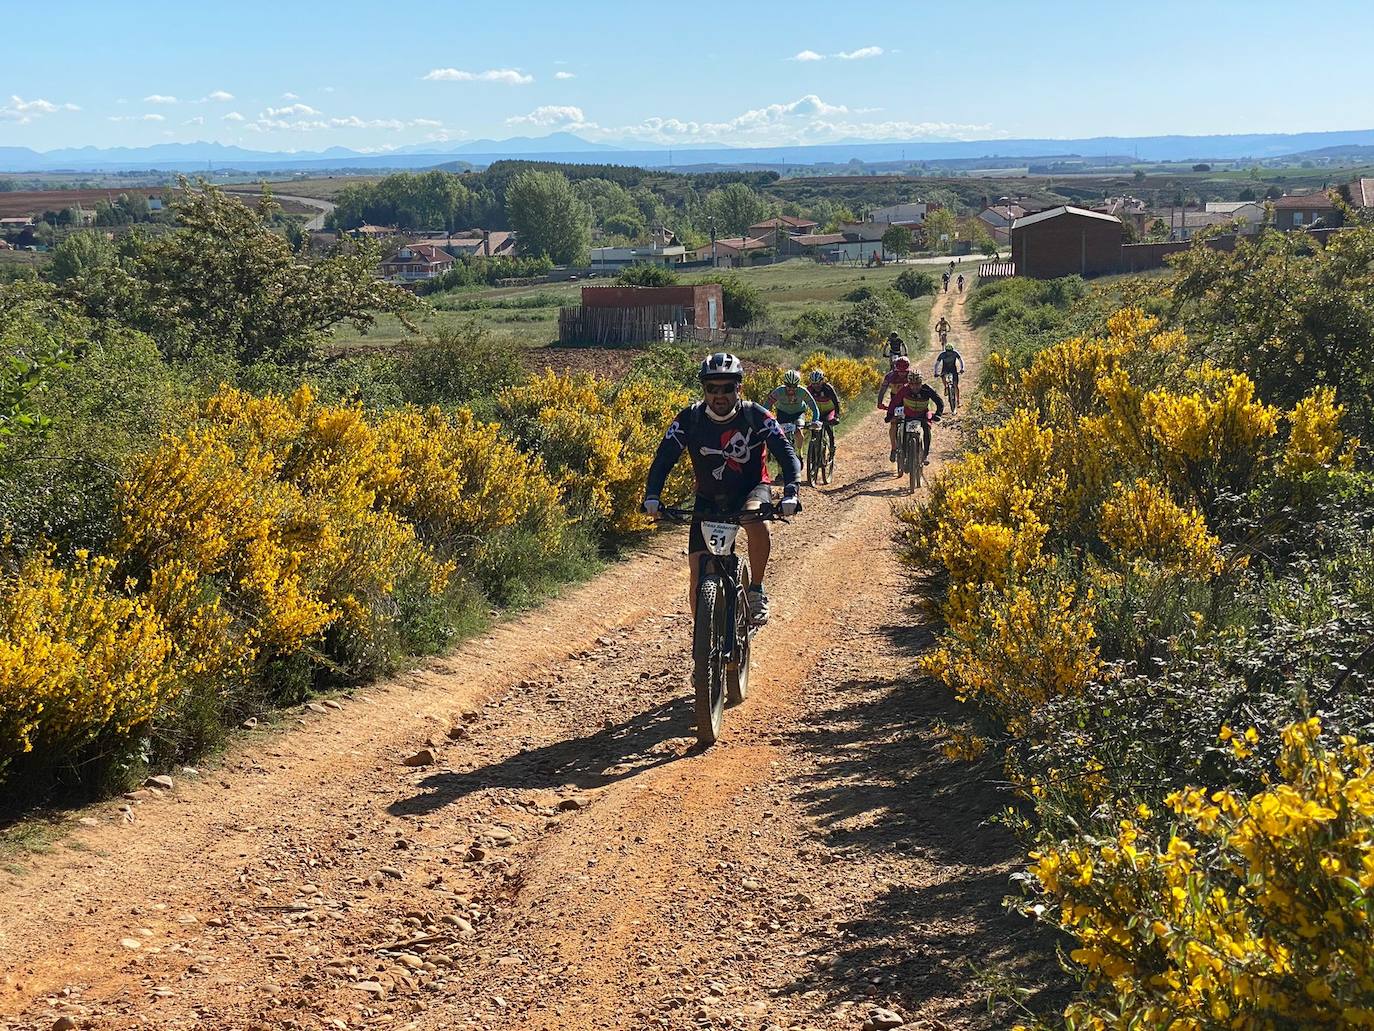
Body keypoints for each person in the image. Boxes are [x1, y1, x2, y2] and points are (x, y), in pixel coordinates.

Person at [643, 353, 801, 627]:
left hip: (751, 489)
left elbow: (785, 452)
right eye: (711, 388)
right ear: (703, 389)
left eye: (727, 387)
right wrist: (653, 495)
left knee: (756, 521)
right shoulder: (690, 419)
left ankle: (756, 590)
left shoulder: (755, 415)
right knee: (697, 575)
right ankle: (703, 652)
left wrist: (791, 490)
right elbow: (664, 457)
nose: (719, 395)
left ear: (738, 387)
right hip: (708, 497)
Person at [886, 370, 944, 466]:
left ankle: (925, 455)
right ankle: (904, 455)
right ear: (908, 383)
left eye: (917, 384)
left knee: (927, 428)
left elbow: (939, 401)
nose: (915, 387)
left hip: (923, 413)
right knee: (903, 431)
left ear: (921, 382)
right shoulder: (904, 389)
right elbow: (894, 402)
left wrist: (938, 414)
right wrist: (889, 415)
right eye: (912, 384)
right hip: (908, 414)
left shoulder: (927, 389)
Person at [765, 370, 821, 460]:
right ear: (784, 384)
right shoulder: (779, 391)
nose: (791, 389)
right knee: (781, 440)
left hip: (798, 413)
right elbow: (766, 406)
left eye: (794, 386)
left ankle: (799, 453)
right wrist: (763, 419)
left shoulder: (802, 391)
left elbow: (814, 408)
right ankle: (780, 472)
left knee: (798, 430)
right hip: (783, 413)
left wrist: (815, 420)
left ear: (798, 385)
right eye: (788, 386)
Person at [807, 369, 843, 456]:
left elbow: (836, 402)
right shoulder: (810, 389)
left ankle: (832, 446)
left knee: (828, 426)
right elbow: (803, 402)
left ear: (822, 381)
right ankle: (814, 451)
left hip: (829, 411)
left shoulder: (828, 388)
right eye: (813, 383)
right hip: (818, 412)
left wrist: (836, 416)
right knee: (813, 429)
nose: (816, 386)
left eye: (818, 383)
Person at [933, 341, 965, 412]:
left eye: (950, 351)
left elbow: (961, 361)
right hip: (945, 369)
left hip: (953, 369)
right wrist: (935, 372)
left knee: (956, 385)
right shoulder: (942, 355)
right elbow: (937, 364)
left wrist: (962, 368)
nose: (949, 353)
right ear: (945, 350)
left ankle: (958, 401)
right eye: (948, 351)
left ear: (952, 350)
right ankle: (945, 387)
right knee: (942, 375)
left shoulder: (955, 353)